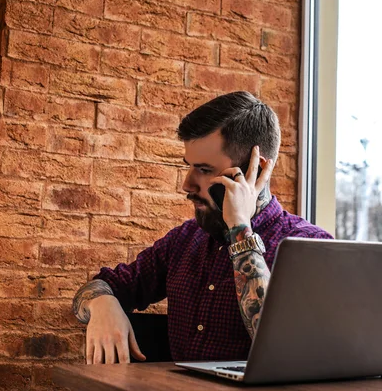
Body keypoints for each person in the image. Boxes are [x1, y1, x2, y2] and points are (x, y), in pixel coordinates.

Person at [72, 91, 332, 364]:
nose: (187, 184)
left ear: (256, 170)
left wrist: (240, 228)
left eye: (205, 170)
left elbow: (286, 347)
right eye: (190, 167)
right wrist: (102, 304)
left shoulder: (308, 245)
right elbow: (104, 286)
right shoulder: (184, 240)